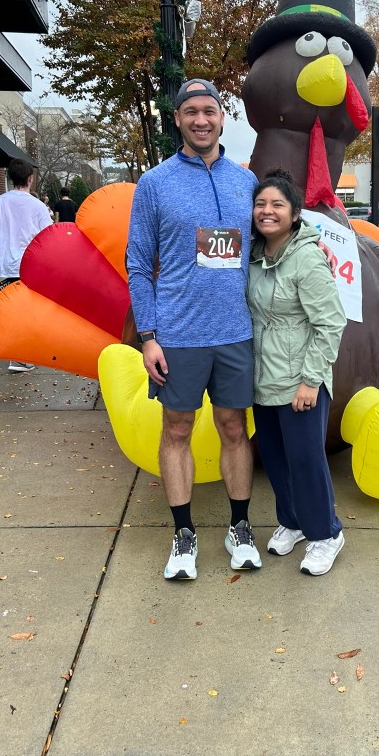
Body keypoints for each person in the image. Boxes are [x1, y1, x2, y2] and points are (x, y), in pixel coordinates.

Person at [127, 79, 259, 582]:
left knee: (233, 429)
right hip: (178, 337)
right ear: (177, 119)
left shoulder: (245, 183)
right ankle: (184, 535)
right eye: (190, 112)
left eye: (209, 111)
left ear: (223, 118)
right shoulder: (154, 183)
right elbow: (138, 264)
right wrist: (148, 335)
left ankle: (240, 528)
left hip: (235, 332)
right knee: (176, 431)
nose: (201, 120)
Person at [248, 170, 347, 576]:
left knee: (306, 460)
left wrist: (310, 380)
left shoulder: (307, 257)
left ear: (294, 213)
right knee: (275, 458)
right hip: (261, 377)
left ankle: (326, 533)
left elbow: (331, 323)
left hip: (299, 380)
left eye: (277, 205)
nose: (267, 212)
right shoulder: (253, 254)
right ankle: (292, 521)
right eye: (260, 204)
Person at [0, 159, 52, 372]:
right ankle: (22, 357)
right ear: (30, 178)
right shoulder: (38, 206)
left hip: (9, 265)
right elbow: (47, 238)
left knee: (13, 309)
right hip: (32, 265)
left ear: (11, 179)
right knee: (29, 310)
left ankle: (18, 356)